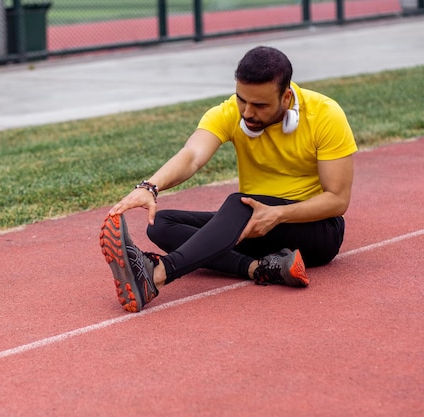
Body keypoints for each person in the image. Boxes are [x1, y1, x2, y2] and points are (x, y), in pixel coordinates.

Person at [99, 46, 357, 313]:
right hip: (255, 225)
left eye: (260, 105)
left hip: (315, 230)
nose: (247, 112)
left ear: (286, 97)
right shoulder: (229, 113)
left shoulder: (326, 114)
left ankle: (158, 274)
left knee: (237, 204)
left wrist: (278, 214)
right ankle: (261, 268)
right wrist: (150, 187)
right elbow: (192, 155)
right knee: (161, 224)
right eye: (241, 99)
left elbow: (337, 200)